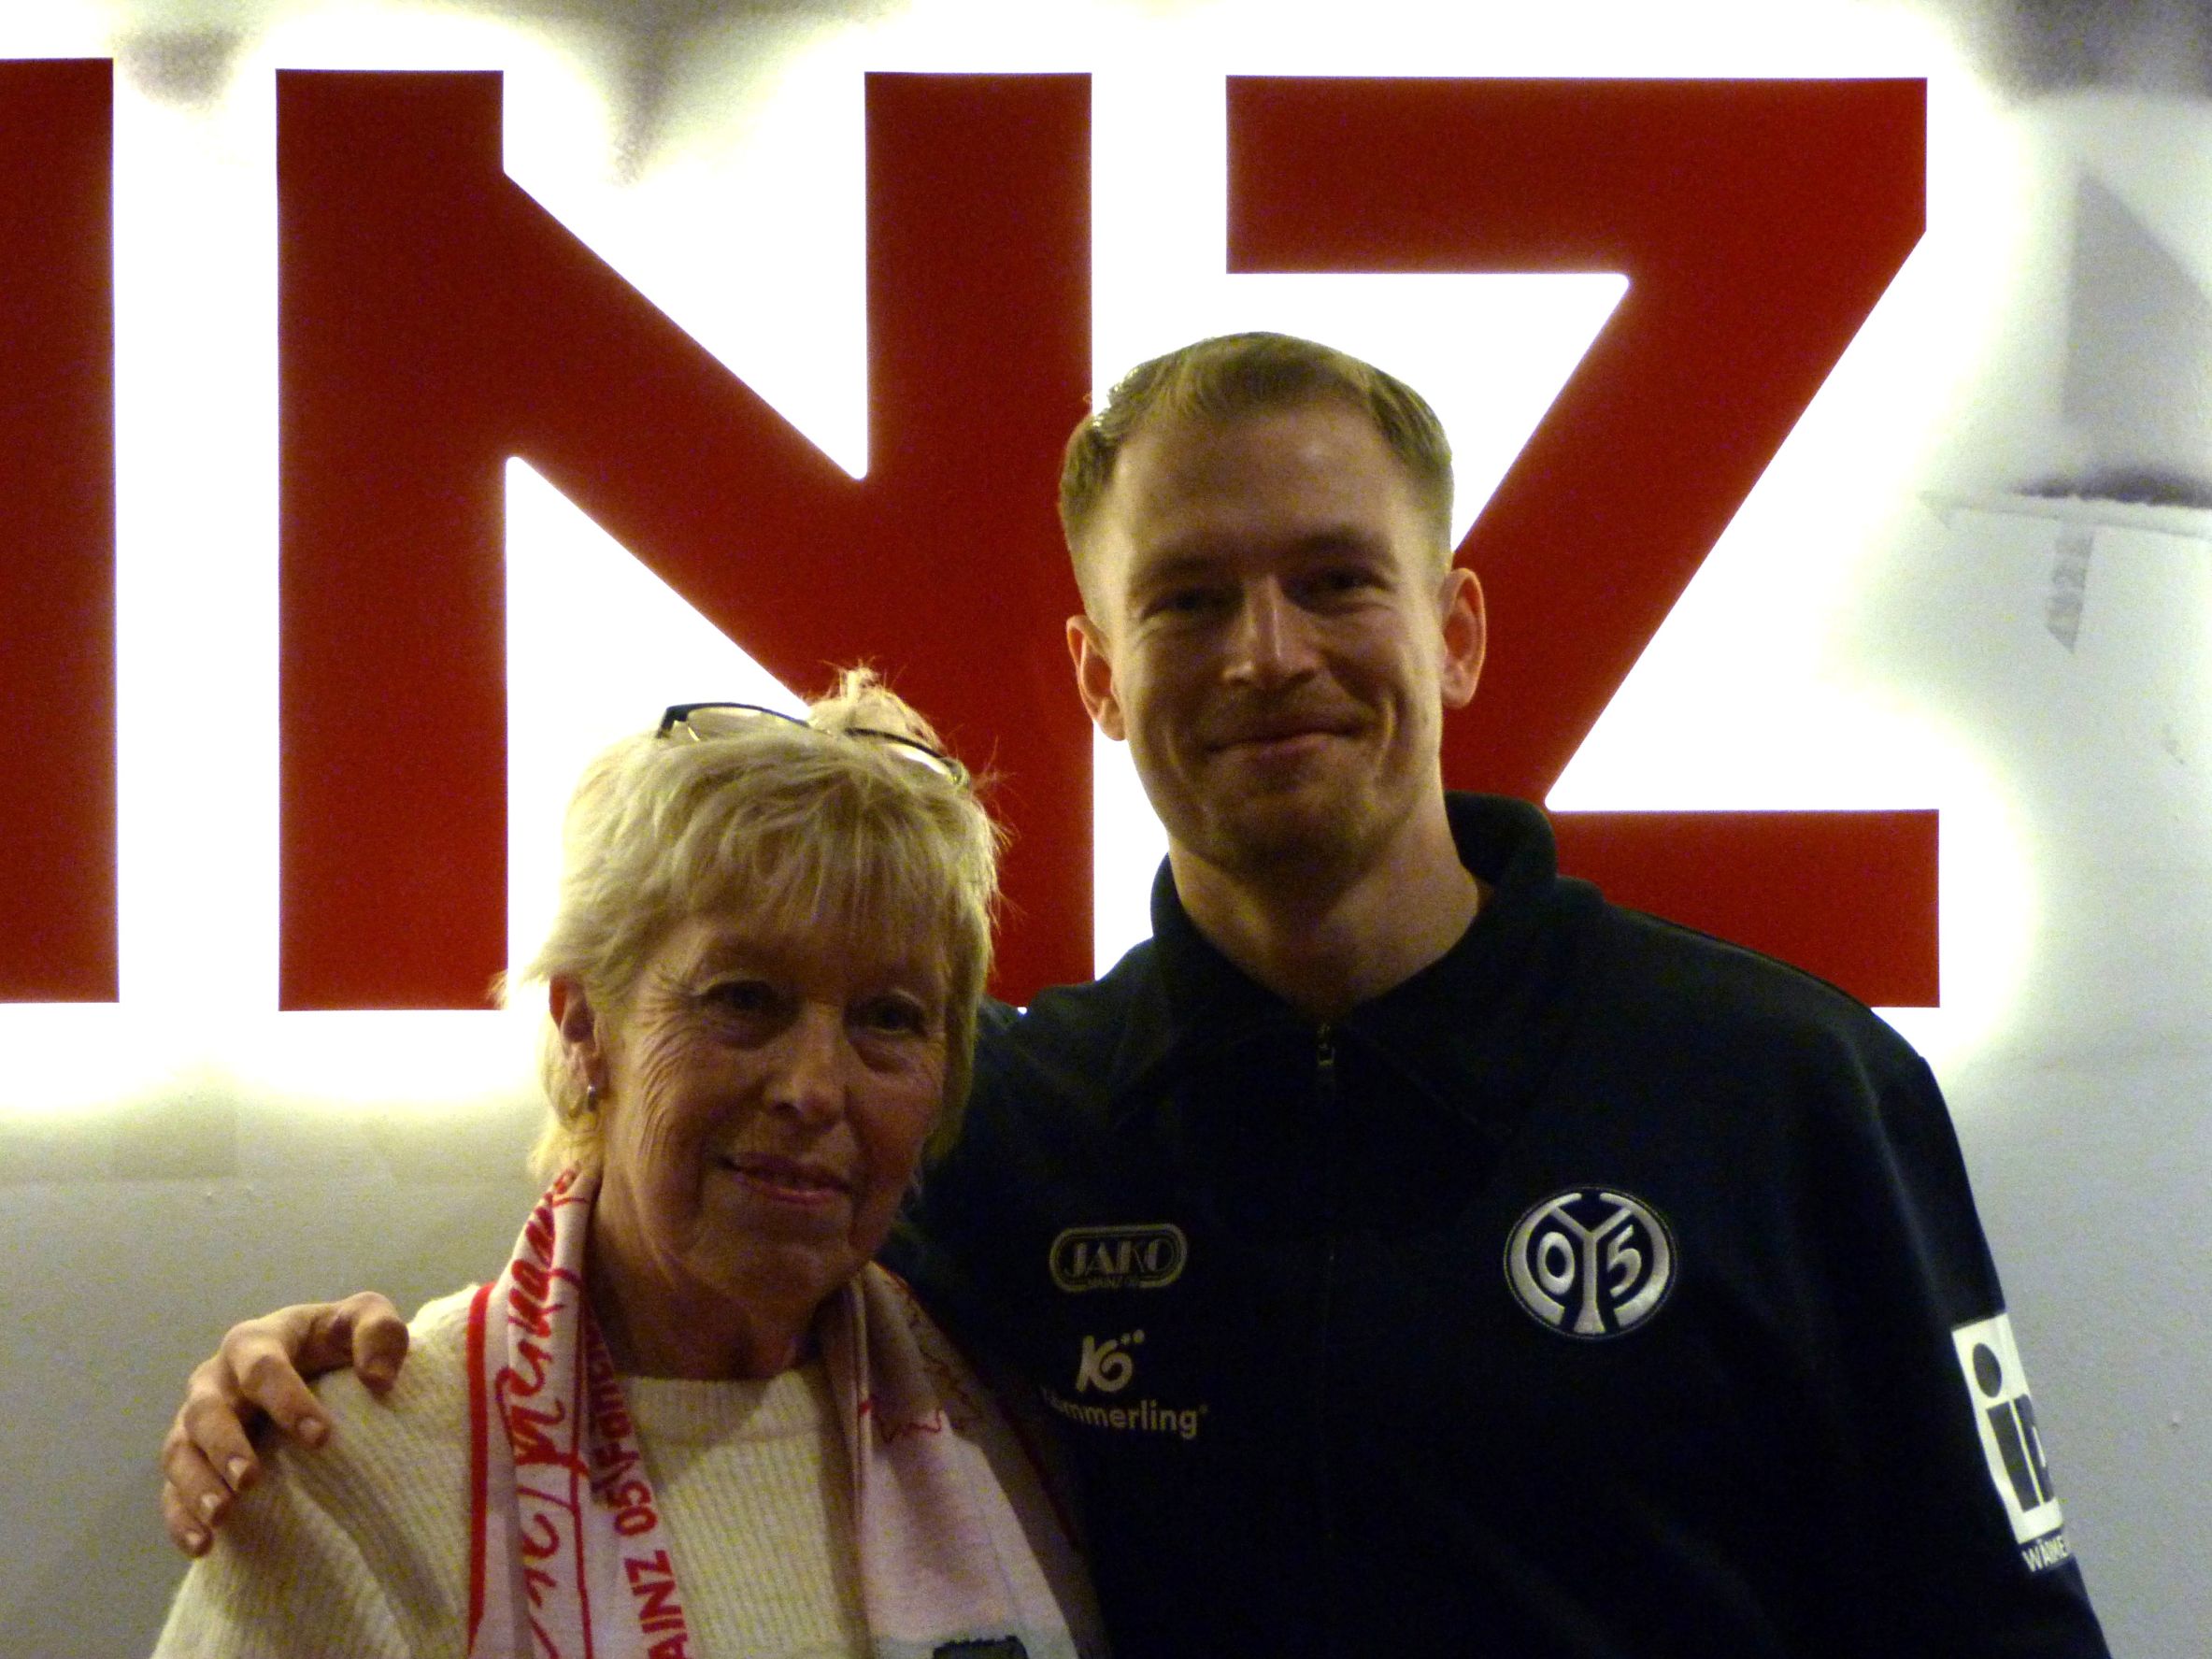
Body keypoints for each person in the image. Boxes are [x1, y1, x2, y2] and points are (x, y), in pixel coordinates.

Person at [161, 334, 2108, 1657]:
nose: (1267, 655)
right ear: (1099, 673)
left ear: (1452, 628)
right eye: (1185, 598)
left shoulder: (1782, 1089)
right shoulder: (1012, 1121)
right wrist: (328, 1373)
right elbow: (687, 1276)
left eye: (1335, 580)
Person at [152, 677, 1103, 1659]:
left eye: (890, 1018)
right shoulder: (348, 1479)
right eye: (744, 997)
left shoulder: (1016, 1401)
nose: (815, 1087)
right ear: (583, 1022)